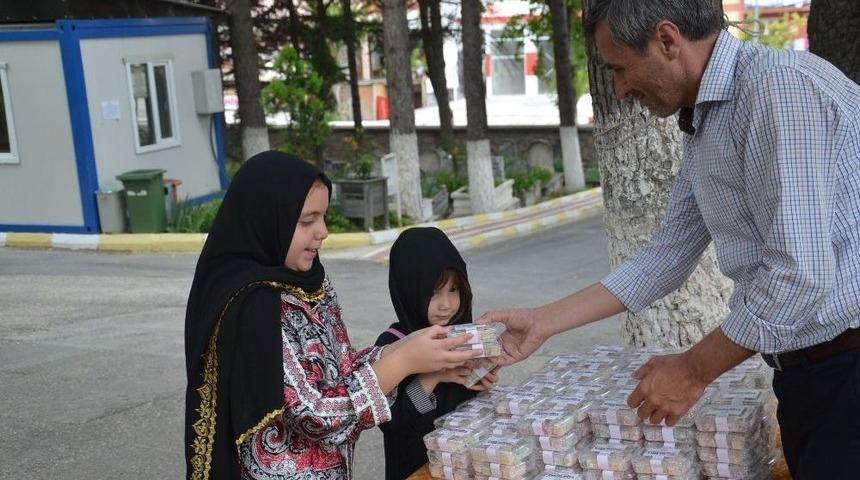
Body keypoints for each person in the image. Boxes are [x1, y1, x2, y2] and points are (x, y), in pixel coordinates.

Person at [479, 1, 860, 478]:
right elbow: (665, 255)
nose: (618, 88)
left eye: (620, 68)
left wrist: (693, 370)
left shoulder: (776, 90)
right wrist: (543, 321)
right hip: (807, 373)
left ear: (666, 39)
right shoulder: (706, 117)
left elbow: (799, 275)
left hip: (848, 366)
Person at [184, 152, 479, 479]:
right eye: (307, 221)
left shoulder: (310, 283)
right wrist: (403, 362)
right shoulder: (253, 307)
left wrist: (407, 348)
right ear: (268, 220)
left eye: (323, 217)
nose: (322, 231)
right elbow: (316, 413)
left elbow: (340, 369)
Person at [375, 227, 500, 480]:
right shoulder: (394, 344)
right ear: (409, 290)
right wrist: (435, 376)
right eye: (433, 292)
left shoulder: (463, 335)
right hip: (417, 467)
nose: (446, 304)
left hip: (465, 464)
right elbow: (395, 422)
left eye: (454, 290)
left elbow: (467, 406)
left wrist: (482, 379)